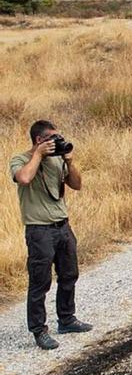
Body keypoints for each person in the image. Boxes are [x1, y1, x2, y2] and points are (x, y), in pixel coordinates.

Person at [10, 120, 92, 350]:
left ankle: (67, 318)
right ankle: (39, 330)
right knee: (40, 281)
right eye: (52, 138)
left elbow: (76, 185)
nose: (57, 141)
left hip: (62, 226)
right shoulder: (20, 159)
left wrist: (69, 162)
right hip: (39, 229)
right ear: (39, 140)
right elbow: (24, 178)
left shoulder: (57, 160)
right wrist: (38, 156)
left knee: (69, 274)